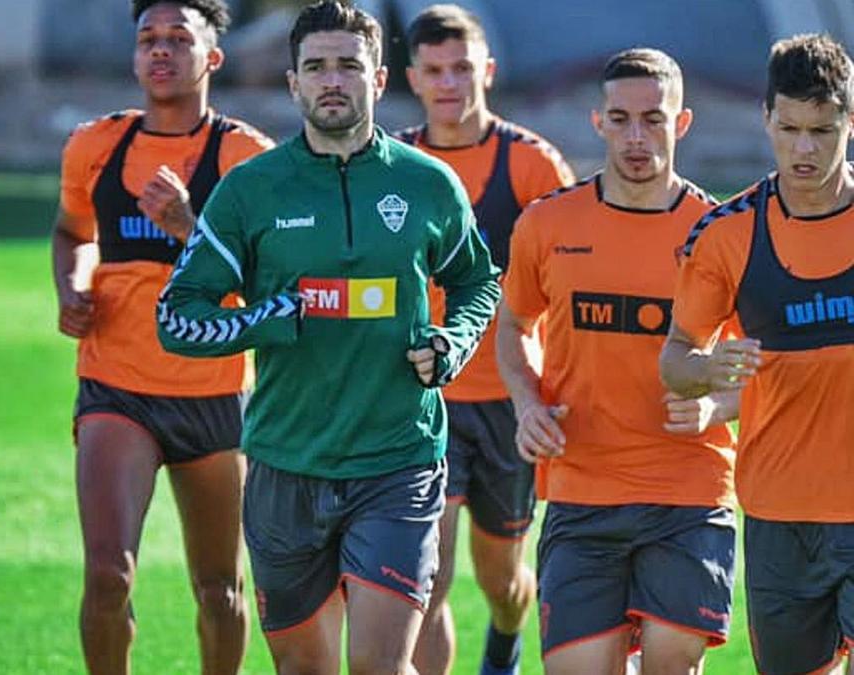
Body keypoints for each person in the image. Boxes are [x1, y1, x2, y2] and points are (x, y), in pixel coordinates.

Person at [157, 2, 501, 672]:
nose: (332, 79)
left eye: (348, 64)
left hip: (397, 461)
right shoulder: (250, 190)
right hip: (287, 464)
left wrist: (453, 342)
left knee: (379, 664)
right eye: (316, 67)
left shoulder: (427, 183)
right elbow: (178, 315)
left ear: (378, 77)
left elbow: (477, 283)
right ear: (294, 84)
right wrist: (267, 319)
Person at [496, 48, 739, 675]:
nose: (637, 136)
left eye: (653, 119)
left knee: (669, 663)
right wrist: (527, 405)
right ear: (597, 122)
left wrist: (717, 404)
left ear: (681, 123)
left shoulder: (720, 233)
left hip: (688, 489)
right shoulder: (547, 224)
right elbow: (515, 325)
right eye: (621, 118)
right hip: (582, 490)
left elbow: (763, 365)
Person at [52, 1, 274, 673]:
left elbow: (273, 280)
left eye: (179, 38)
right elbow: (72, 231)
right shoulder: (95, 144)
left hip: (214, 391)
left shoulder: (246, 157)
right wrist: (72, 286)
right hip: (118, 385)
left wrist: (190, 227)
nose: (161, 50)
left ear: (212, 57)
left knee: (219, 588)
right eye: (148, 38)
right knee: (108, 576)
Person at [660, 33, 854, 675]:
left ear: (849, 123)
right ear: (766, 117)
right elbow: (676, 359)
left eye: (823, 130)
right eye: (790, 127)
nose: (805, 149)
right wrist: (706, 372)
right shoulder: (726, 235)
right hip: (779, 514)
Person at [395, 5, 575, 673]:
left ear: (488, 72)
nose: (450, 83)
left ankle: (504, 641)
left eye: (462, 68)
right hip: (421, 401)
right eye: (435, 70)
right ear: (412, 77)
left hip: (506, 398)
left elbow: (571, 275)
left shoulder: (530, 165)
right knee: (427, 576)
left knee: (502, 578)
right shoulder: (396, 163)